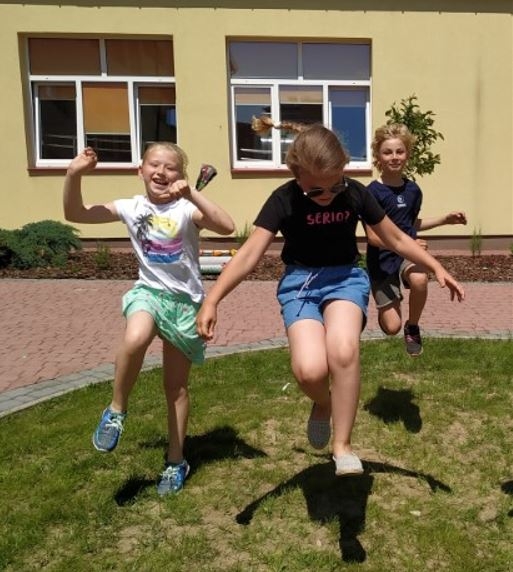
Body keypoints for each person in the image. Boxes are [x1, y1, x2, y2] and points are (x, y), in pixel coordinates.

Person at [196, 116, 464, 477]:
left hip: (345, 280)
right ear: (296, 176)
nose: (326, 196)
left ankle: (343, 446)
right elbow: (248, 255)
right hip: (300, 284)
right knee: (309, 371)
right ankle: (323, 403)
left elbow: (397, 237)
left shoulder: (355, 192)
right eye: (315, 191)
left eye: (334, 185)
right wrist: (212, 299)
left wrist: (436, 267)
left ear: (343, 170)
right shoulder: (283, 199)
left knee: (343, 350)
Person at [63, 143, 235, 495]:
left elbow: (226, 226)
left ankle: (176, 461)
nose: (161, 172)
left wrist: (192, 195)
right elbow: (76, 213)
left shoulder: (187, 209)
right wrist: (73, 173)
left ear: (181, 176)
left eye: (170, 167)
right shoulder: (131, 207)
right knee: (136, 336)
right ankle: (116, 410)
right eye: (154, 165)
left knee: (176, 388)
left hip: (185, 305)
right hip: (149, 293)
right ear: (140, 170)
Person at [365, 123, 467, 356]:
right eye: (387, 152)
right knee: (391, 327)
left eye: (399, 151)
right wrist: (409, 244)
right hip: (381, 260)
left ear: (407, 154)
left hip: (406, 255)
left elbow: (410, 225)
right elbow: (373, 237)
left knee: (420, 278)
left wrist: (445, 220)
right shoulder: (371, 193)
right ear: (378, 156)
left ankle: (412, 326)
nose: (394, 157)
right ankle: (389, 311)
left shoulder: (413, 191)